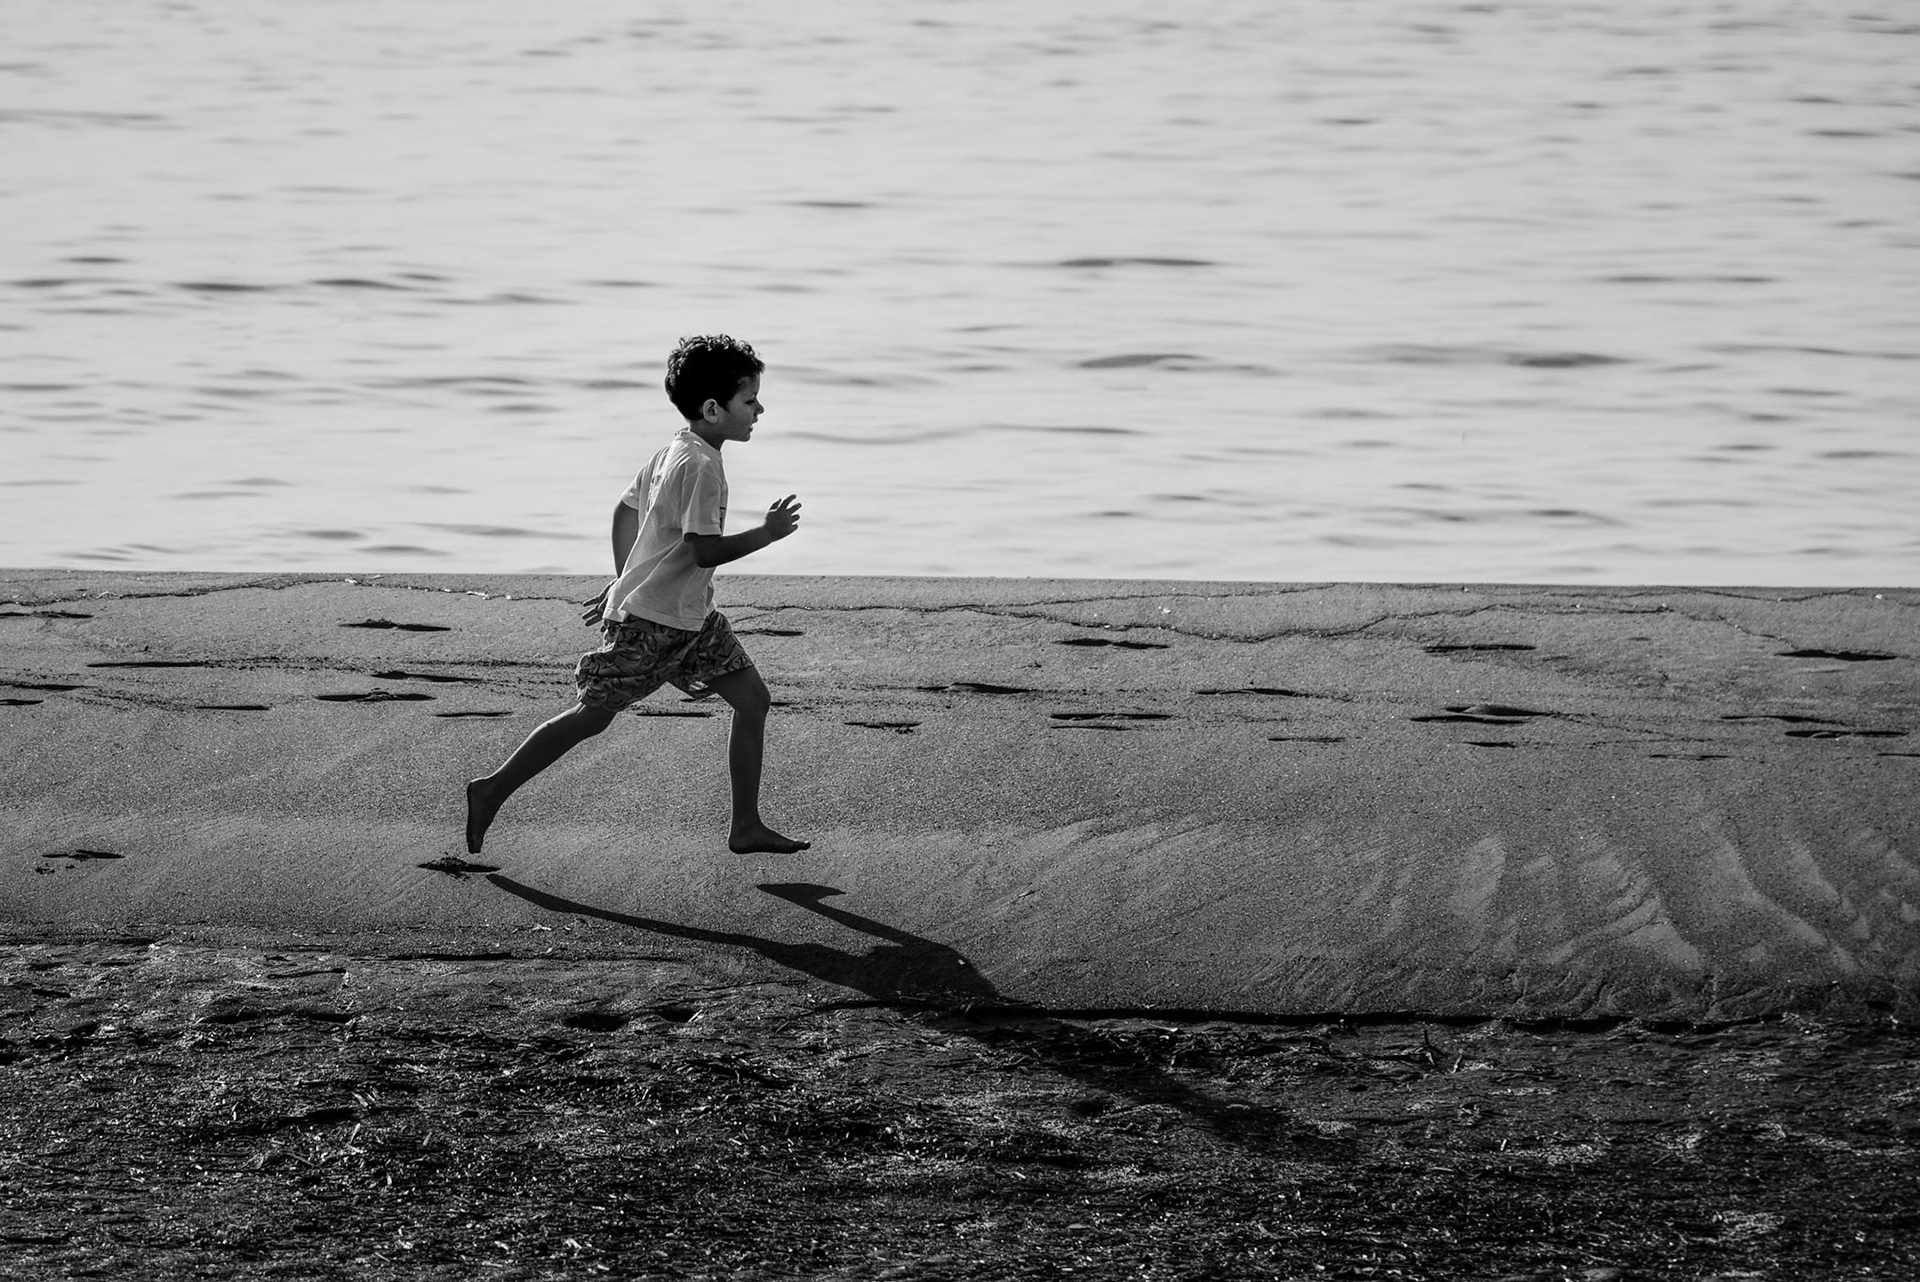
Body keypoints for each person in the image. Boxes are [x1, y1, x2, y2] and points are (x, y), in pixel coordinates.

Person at [464, 334, 810, 857]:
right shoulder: (701, 467)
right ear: (713, 409)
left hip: (692, 619)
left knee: (753, 700)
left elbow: (625, 510)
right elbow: (703, 551)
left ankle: (746, 826)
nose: (760, 408)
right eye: (750, 400)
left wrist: (624, 575)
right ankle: (490, 789)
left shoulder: (675, 448)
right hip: (653, 623)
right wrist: (767, 534)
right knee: (592, 715)